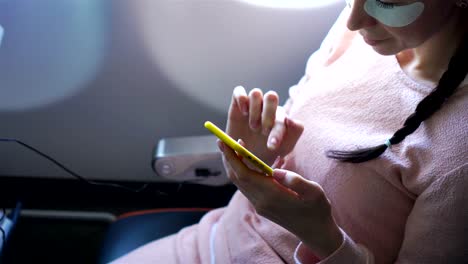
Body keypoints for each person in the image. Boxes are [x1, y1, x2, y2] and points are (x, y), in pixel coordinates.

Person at [113, 0, 467, 263]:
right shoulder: (359, 27)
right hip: (213, 241)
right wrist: (264, 148)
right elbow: (303, 111)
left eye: (388, 1)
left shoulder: (459, 150)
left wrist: (322, 238)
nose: (356, 18)